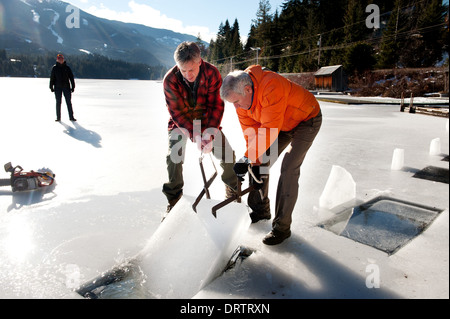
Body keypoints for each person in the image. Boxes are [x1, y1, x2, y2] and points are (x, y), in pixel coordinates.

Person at [220, 66, 322, 245]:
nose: (235, 107)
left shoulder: (271, 85)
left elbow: (268, 130)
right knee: (258, 163)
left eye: (236, 101)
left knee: (289, 167)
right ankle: (260, 211)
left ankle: (282, 228)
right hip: (281, 124)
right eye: (232, 103)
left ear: (247, 90)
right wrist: (254, 163)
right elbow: (251, 135)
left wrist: (246, 158)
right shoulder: (242, 103)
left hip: (307, 119)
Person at [162, 41, 238, 216]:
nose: (188, 75)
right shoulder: (170, 79)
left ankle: (232, 191)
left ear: (199, 62)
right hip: (181, 123)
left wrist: (209, 134)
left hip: (207, 120)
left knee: (227, 154)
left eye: (191, 70)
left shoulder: (212, 73)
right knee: (174, 157)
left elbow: (217, 106)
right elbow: (177, 112)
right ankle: (174, 199)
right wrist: (195, 135)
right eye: (183, 70)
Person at [50, 54, 76, 122]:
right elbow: (52, 78)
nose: (60, 60)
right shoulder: (54, 68)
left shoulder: (67, 68)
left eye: (61, 59)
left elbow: (71, 78)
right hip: (57, 88)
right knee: (58, 102)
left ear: (63, 59)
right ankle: (58, 117)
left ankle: (71, 117)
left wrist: (73, 86)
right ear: (57, 59)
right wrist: (51, 86)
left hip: (66, 87)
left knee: (68, 102)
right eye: (59, 59)